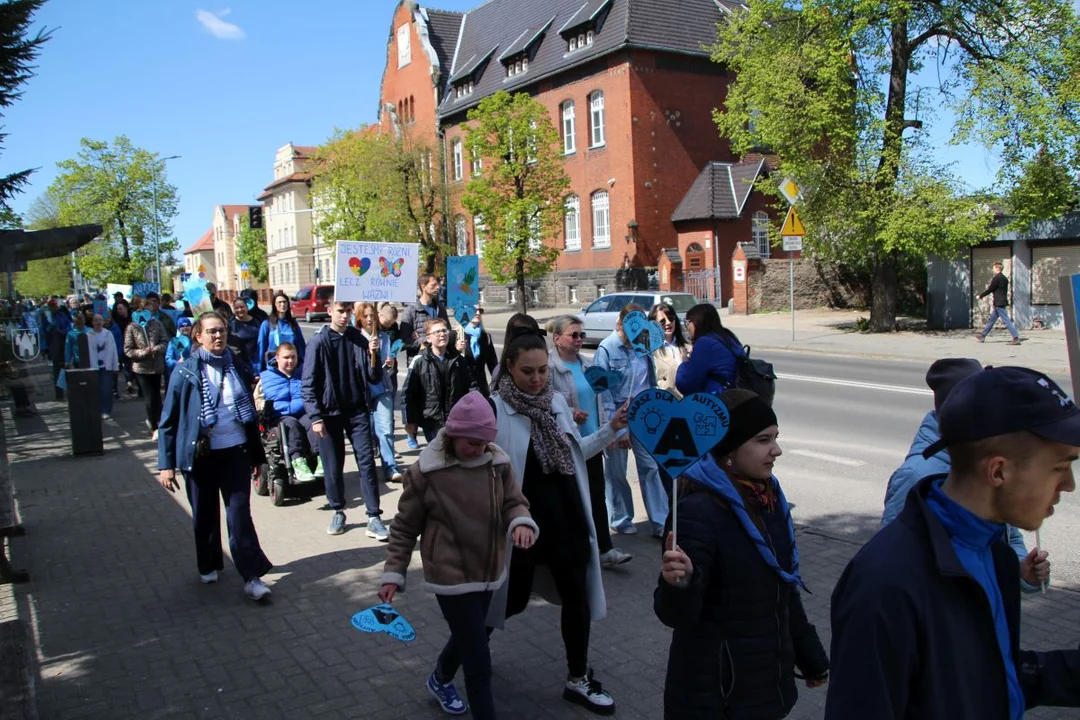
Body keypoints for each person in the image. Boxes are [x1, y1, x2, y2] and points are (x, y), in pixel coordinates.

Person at [825, 366, 1078, 719]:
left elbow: (982, 677)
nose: (1069, 485)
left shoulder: (997, 555)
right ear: (999, 471)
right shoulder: (886, 584)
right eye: (1059, 466)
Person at [656, 388, 830, 718]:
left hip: (765, 685)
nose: (776, 450)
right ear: (728, 451)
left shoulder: (767, 497)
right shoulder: (697, 513)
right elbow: (674, 616)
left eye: (776, 438)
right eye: (763, 440)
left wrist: (810, 657)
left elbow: (783, 587)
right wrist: (680, 583)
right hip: (719, 698)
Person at [491, 324, 629, 715]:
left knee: (577, 598)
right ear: (509, 368)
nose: (537, 379)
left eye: (542, 371)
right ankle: (465, 652)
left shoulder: (554, 404)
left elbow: (575, 452)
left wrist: (610, 428)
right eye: (527, 372)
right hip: (522, 528)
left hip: (566, 520)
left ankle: (577, 678)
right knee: (511, 600)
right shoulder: (494, 409)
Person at [379, 392, 538, 719]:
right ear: (452, 435)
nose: (478, 449)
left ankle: (439, 678)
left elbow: (514, 502)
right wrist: (394, 573)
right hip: (449, 574)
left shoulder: (497, 463)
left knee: (472, 632)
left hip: (488, 569)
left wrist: (521, 522)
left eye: (483, 443)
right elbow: (404, 527)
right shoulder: (426, 472)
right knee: (479, 660)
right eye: (470, 443)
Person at [881, 357, 1046, 593]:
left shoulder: (990, 464)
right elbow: (889, 560)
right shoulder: (916, 476)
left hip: (988, 610)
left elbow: (1009, 536)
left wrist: (1021, 571)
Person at [157, 311, 273, 602]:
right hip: (200, 456)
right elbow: (168, 421)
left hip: (235, 451)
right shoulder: (185, 372)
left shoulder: (236, 366)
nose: (218, 336)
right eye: (211, 331)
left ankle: (251, 576)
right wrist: (166, 465)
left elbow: (249, 417)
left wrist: (258, 458)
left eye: (221, 330)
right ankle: (208, 563)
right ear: (198, 336)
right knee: (205, 515)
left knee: (239, 516)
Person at [548, 314, 632, 570]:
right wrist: (569, 410)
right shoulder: (550, 369)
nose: (579, 339)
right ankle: (573, 549)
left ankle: (605, 549)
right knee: (571, 499)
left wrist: (611, 431)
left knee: (596, 496)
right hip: (568, 444)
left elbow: (601, 400)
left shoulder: (587, 366)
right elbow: (546, 401)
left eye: (581, 335)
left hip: (593, 441)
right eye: (573, 335)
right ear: (557, 339)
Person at [301, 300, 388, 540]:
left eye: (348, 311)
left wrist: (374, 351)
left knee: (367, 462)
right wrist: (315, 416)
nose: (344, 315)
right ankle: (338, 510)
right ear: (330, 311)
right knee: (333, 466)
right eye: (340, 311)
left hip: (357, 410)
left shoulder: (358, 338)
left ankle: (373, 516)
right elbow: (307, 383)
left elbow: (373, 376)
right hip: (329, 414)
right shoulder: (319, 341)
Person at [595, 304, 668, 538]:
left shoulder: (644, 344)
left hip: (644, 414)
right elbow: (601, 390)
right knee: (617, 471)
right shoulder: (606, 348)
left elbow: (651, 381)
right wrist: (617, 429)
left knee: (650, 467)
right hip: (617, 414)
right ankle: (620, 517)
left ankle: (660, 520)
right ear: (621, 324)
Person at [255, 342, 322, 482]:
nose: (290, 361)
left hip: (302, 412)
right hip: (279, 416)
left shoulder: (305, 372)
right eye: (286, 357)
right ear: (277, 358)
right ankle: (297, 461)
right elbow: (257, 399)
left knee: (313, 422)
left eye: (293, 357)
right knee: (290, 424)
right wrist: (264, 405)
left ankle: (321, 459)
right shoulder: (266, 377)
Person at [403, 318, 475, 444]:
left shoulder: (458, 361)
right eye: (437, 332)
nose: (442, 334)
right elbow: (409, 394)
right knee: (440, 456)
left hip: (456, 420)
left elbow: (471, 387)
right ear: (428, 338)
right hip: (432, 421)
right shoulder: (420, 363)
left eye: (444, 331)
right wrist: (410, 421)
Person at [399, 273, 449, 449]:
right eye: (434, 284)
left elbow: (446, 329)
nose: (438, 287)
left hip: (439, 360)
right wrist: (422, 341)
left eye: (438, 284)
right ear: (423, 286)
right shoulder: (411, 310)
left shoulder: (439, 307)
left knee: (435, 398)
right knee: (417, 398)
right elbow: (404, 340)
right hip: (419, 363)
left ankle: (433, 433)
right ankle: (411, 430)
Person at [355, 302, 403, 482]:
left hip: (382, 389)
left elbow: (386, 365)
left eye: (372, 316)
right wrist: (368, 349)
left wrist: (390, 364)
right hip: (362, 391)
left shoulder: (383, 337)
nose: (369, 319)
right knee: (365, 433)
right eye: (365, 316)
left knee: (386, 429)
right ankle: (366, 470)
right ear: (360, 318)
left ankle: (390, 467)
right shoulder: (355, 338)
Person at [675, 303, 745, 397]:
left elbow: (686, 383)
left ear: (696, 322)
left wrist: (684, 363)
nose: (687, 327)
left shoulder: (705, 343)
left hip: (717, 401)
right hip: (736, 397)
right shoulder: (727, 337)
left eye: (687, 322)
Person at [123, 308, 169, 441]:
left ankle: (160, 422)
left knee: (157, 396)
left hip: (157, 367)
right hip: (141, 368)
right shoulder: (131, 327)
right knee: (149, 398)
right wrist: (143, 352)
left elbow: (164, 341)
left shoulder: (157, 324)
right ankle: (154, 426)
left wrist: (156, 348)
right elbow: (128, 350)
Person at [257, 291, 306, 371]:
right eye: (279, 302)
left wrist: (304, 365)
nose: (282, 305)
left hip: (291, 366)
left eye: (284, 302)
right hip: (272, 366)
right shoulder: (267, 324)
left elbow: (301, 346)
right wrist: (258, 370)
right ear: (274, 305)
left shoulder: (293, 324)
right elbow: (261, 347)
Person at [649, 303, 690, 398]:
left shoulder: (687, 347)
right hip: (663, 403)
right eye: (662, 321)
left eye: (671, 318)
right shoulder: (649, 351)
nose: (668, 323)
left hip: (687, 402)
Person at [976, 261, 1021, 345]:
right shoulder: (1004, 278)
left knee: (1007, 321)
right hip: (1001, 301)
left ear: (997, 268)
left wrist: (980, 296)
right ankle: (983, 335)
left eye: (993, 268)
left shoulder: (996, 278)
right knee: (991, 321)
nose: (993, 269)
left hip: (999, 302)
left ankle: (1015, 338)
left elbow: (990, 289)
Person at [458, 308, 498, 396]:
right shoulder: (456, 336)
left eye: (480, 310)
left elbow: (493, 365)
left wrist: (498, 387)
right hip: (462, 390)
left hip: (481, 389)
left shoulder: (486, 337)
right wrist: (456, 350)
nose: (478, 313)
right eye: (473, 309)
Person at [88, 313, 119, 419]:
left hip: (107, 366)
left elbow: (114, 350)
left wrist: (116, 366)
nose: (98, 322)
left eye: (100, 320)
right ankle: (97, 409)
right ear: (92, 322)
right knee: (95, 390)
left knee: (106, 389)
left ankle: (106, 410)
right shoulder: (89, 335)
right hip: (94, 366)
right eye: (96, 320)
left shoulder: (108, 334)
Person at [227, 297, 261, 369]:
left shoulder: (257, 321)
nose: (240, 310)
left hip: (257, 360)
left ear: (247, 307)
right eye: (236, 308)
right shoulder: (230, 324)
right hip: (240, 361)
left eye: (242, 307)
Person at [166, 317, 194, 381]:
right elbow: (168, 360)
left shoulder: (195, 342)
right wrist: (177, 362)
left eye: (187, 325)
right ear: (178, 328)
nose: (185, 328)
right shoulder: (174, 342)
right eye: (182, 326)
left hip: (192, 374)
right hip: (179, 374)